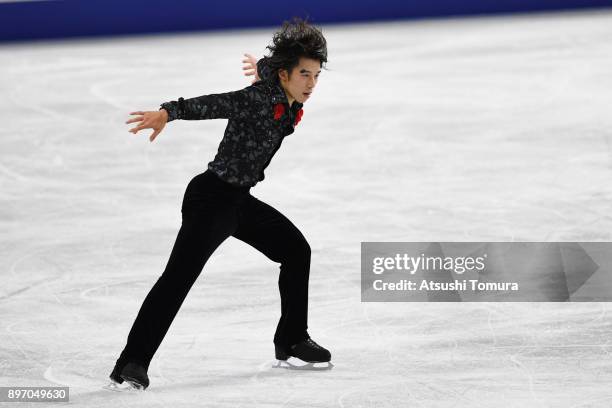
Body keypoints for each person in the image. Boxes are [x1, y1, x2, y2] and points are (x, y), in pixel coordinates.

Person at [108, 17, 331, 390]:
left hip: (239, 201)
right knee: (178, 278)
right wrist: (168, 112)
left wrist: (261, 67)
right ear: (285, 75)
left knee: (296, 250)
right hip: (211, 199)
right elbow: (216, 104)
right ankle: (131, 362)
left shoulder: (283, 92)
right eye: (305, 75)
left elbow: (269, 71)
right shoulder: (258, 98)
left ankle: (291, 339)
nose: (311, 84)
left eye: (316, 76)